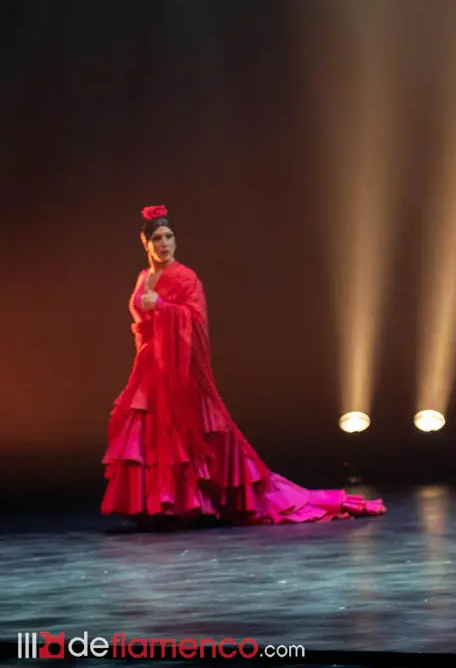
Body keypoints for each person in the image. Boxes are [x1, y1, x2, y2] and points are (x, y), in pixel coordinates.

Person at [102, 205, 387, 527]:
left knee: (196, 434)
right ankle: (163, 506)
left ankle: (209, 501)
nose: (164, 243)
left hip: (181, 371)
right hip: (151, 368)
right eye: (157, 238)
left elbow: (195, 321)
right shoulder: (144, 277)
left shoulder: (185, 277)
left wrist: (164, 307)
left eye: (169, 236)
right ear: (146, 244)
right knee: (153, 437)